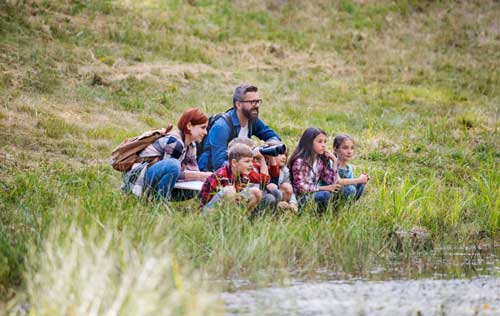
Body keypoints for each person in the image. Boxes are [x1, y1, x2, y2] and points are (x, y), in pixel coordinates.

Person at [122, 108, 212, 201]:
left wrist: (204, 177)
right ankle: (158, 202)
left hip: (154, 177)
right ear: (189, 125)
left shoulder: (192, 145)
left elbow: (193, 171)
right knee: (173, 165)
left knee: (197, 188)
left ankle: (155, 200)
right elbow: (174, 172)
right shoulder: (175, 142)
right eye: (202, 128)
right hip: (138, 178)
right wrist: (201, 176)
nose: (205, 132)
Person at [198, 84, 281, 171]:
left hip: (239, 171)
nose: (256, 106)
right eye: (252, 102)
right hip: (210, 174)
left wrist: (268, 145)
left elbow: (272, 136)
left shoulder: (251, 120)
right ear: (238, 104)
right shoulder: (222, 127)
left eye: (258, 101)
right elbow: (219, 164)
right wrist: (247, 165)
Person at [288, 127, 341, 213]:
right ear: (309, 143)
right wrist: (325, 188)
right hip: (301, 198)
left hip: (313, 193)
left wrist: (334, 162)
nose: (323, 145)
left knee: (340, 190)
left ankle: (331, 213)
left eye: (325, 142)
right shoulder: (299, 162)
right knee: (325, 194)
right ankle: (318, 215)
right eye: (320, 142)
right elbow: (301, 188)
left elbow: (331, 182)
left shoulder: (320, 160)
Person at [199, 143, 262, 212]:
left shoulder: (244, 176)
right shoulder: (221, 175)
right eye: (247, 161)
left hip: (230, 207)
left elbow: (263, 180)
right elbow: (204, 198)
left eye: (252, 161)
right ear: (234, 162)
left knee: (256, 192)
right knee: (229, 190)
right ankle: (222, 220)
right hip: (209, 210)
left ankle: (240, 218)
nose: (251, 165)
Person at [228, 137, 280, 212]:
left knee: (275, 192)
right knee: (269, 198)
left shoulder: (252, 165)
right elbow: (264, 179)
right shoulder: (243, 169)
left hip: (251, 196)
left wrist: (271, 157)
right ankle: (254, 217)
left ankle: (272, 216)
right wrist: (262, 159)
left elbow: (274, 173)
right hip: (242, 200)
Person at [333, 134, 369, 201]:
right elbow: (337, 182)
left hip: (343, 193)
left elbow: (351, 183)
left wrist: (363, 179)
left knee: (360, 184)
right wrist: (359, 179)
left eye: (352, 148)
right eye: (345, 148)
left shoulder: (349, 168)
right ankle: (335, 206)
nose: (349, 152)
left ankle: (348, 206)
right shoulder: (332, 163)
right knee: (350, 189)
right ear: (335, 149)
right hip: (331, 193)